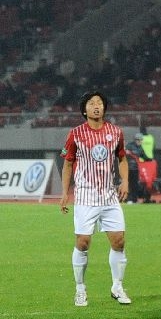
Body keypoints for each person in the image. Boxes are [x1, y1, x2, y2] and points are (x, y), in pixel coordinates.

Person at [59, 91, 132, 307]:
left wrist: (125, 181)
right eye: (92, 103)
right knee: (83, 243)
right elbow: (68, 164)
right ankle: (80, 289)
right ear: (85, 110)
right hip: (85, 196)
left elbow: (122, 159)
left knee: (119, 241)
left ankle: (117, 286)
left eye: (99, 102)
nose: (96, 106)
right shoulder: (76, 134)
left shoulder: (116, 132)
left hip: (109, 195)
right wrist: (65, 193)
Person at [124, 131, 149, 203]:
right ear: (136, 140)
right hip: (128, 168)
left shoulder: (141, 148)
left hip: (135, 169)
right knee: (128, 184)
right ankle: (128, 199)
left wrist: (151, 159)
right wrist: (126, 152)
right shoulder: (129, 146)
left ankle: (134, 199)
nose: (140, 141)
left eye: (141, 140)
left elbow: (145, 157)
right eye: (139, 140)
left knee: (135, 184)